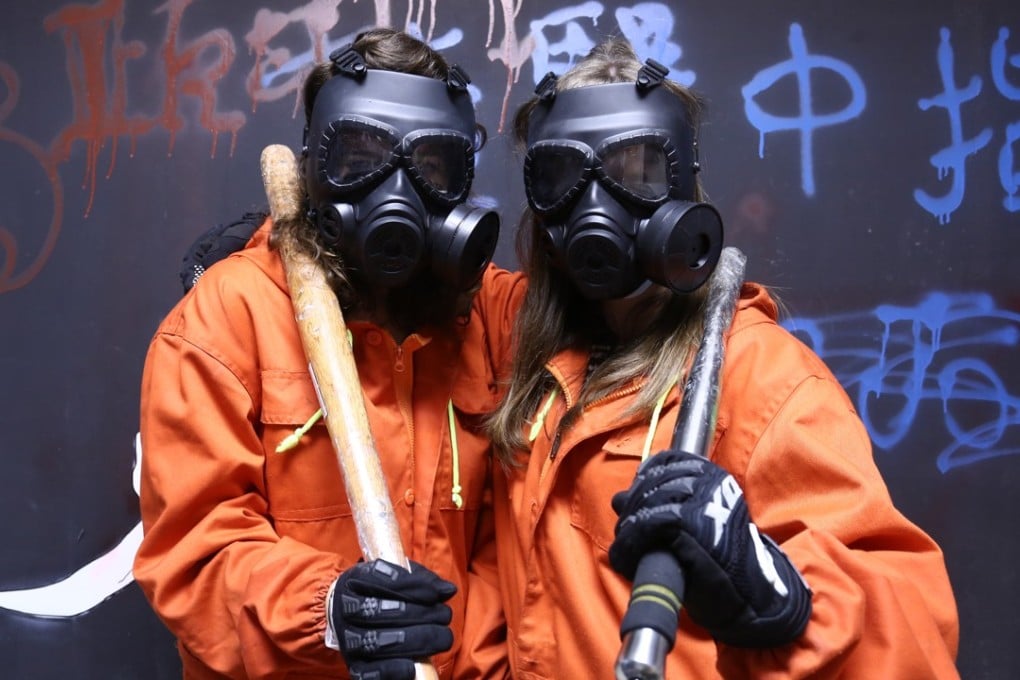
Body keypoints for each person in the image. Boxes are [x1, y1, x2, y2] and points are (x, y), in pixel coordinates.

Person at [485, 37, 960, 678]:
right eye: (563, 178)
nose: (597, 206)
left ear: (683, 188)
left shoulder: (763, 379)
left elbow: (912, 630)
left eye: (635, 173)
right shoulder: (524, 349)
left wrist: (770, 592)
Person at [134, 28, 524, 680]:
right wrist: (329, 611)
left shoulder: (490, 318)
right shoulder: (227, 316)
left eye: (432, 167)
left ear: (463, 187)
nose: (396, 193)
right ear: (314, 166)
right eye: (360, 158)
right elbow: (192, 550)